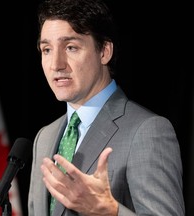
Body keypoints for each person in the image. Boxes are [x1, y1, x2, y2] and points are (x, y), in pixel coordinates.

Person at [27, 0, 185, 215]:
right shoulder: (44, 137)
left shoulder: (147, 131)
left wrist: (110, 210)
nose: (56, 64)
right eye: (46, 49)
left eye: (71, 47)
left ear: (104, 52)